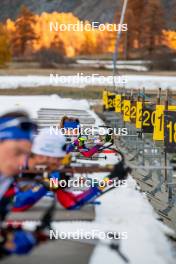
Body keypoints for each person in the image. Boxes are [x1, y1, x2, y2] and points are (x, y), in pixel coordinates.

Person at [0, 111, 42, 257]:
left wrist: (7, 240)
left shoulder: (7, 182)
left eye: (27, 154)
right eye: (17, 152)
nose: (21, 162)